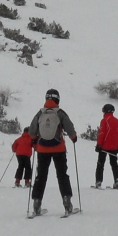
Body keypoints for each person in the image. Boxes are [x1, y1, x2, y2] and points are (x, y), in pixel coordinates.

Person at [29, 87, 79, 216]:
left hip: (42, 149)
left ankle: (36, 203)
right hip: (59, 149)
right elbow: (69, 128)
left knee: (41, 176)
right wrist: (73, 137)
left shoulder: (40, 113)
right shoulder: (60, 113)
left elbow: (32, 131)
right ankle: (67, 202)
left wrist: (34, 140)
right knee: (62, 175)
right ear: (58, 99)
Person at [94, 102, 118, 188]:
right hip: (114, 147)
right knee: (114, 164)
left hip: (104, 146)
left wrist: (99, 144)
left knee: (100, 164)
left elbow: (102, 133)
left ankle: (98, 182)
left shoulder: (104, 121)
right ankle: (117, 181)